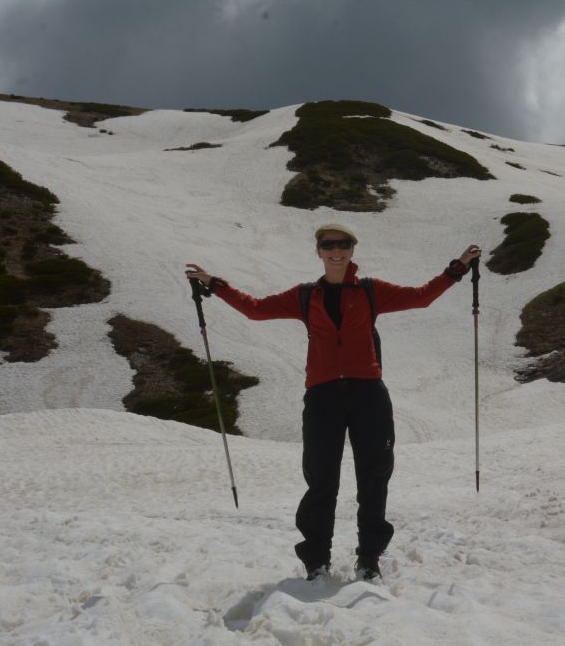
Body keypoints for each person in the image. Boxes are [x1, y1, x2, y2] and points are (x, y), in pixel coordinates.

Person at [186, 223, 480, 582]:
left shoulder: (372, 291)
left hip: (368, 393)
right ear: (319, 251)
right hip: (323, 395)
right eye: (329, 245)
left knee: (374, 477)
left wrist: (458, 268)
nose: (336, 250)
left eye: (343, 244)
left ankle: (369, 557)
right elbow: (256, 310)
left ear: (352, 250)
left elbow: (421, 296)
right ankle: (316, 560)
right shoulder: (305, 296)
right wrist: (216, 285)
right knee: (321, 478)